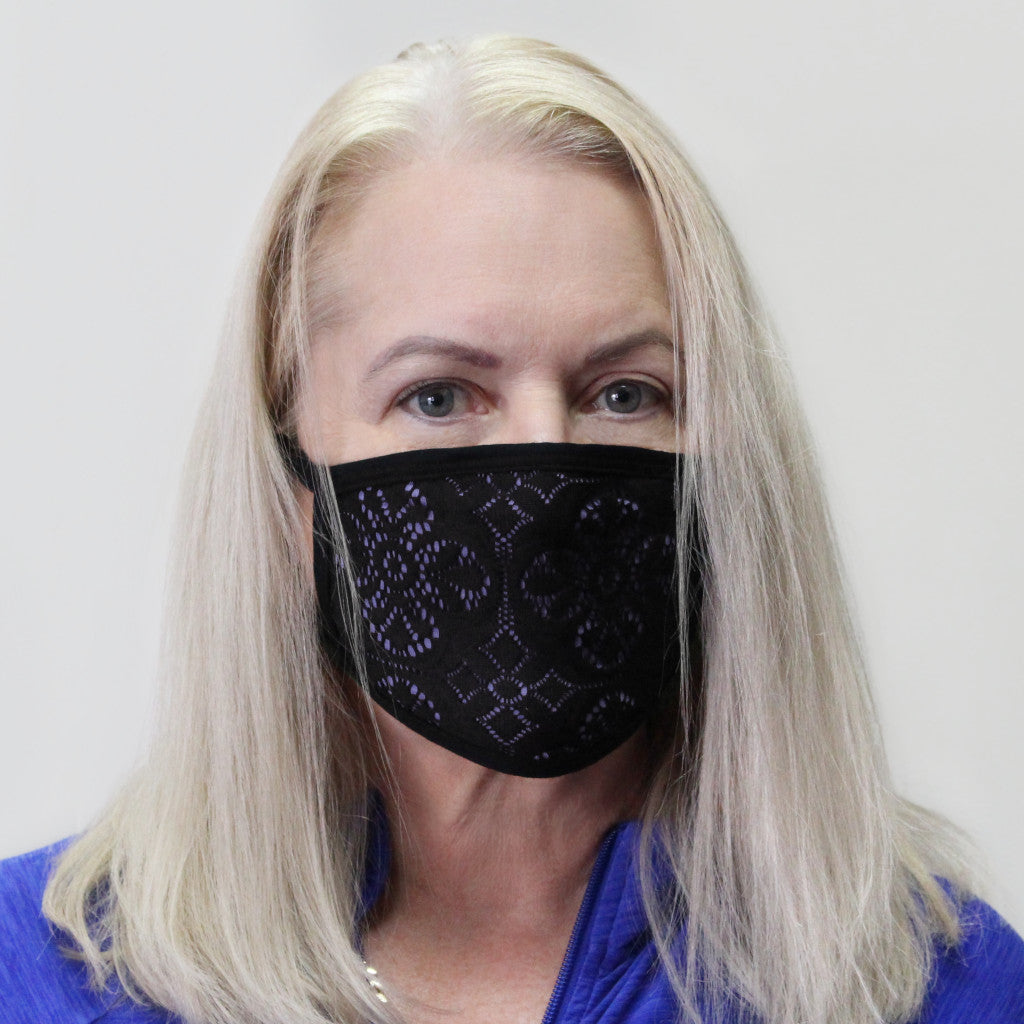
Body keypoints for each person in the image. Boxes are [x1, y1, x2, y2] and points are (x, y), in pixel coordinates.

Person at [1, 34, 1022, 1024]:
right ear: (288, 478)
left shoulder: (935, 989)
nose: (542, 478)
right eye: (439, 396)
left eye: (626, 392)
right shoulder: (45, 978)